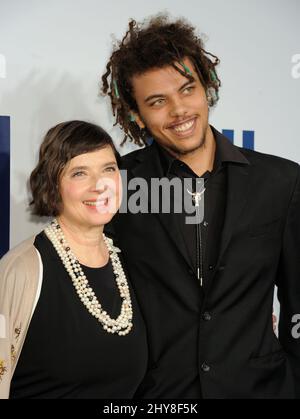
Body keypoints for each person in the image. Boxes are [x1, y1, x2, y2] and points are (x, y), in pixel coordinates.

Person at [101, 14, 300, 398]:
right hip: (159, 398)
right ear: (135, 114)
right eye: (157, 101)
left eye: (187, 90)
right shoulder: (118, 186)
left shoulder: (280, 182)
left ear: (206, 88)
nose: (179, 111)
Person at [0, 120, 147, 398]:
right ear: (53, 184)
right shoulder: (21, 270)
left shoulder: (130, 263)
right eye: (80, 173)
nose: (99, 185)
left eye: (108, 169)